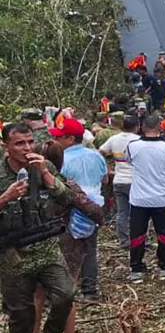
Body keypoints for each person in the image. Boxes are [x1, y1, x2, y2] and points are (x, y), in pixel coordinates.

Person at [0, 123, 80, 333]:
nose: (26, 148)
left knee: (65, 294)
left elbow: (67, 197)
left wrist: (45, 173)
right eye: (19, 143)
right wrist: (5, 197)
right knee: (20, 312)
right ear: (6, 147)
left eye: (29, 142)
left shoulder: (43, 166)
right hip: (13, 252)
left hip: (46, 246)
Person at [33, 141, 104, 333]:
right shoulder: (66, 185)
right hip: (67, 244)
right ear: (61, 161)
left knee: (38, 292)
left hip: (36, 243)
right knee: (66, 291)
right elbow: (93, 209)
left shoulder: (28, 187)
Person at [50, 118, 106, 303]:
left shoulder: (62, 159)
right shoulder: (96, 155)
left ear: (70, 139)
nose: (56, 140)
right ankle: (90, 290)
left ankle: (65, 290)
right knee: (89, 249)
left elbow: (60, 186)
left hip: (69, 209)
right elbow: (105, 179)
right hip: (92, 209)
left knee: (65, 249)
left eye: (59, 137)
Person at [125, 115, 165, 282]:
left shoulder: (132, 147)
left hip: (139, 199)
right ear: (160, 128)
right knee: (164, 234)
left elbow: (128, 161)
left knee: (137, 234)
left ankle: (136, 269)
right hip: (162, 199)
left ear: (142, 127)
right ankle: (164, 267)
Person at [99, 115, 140, 249]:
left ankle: (124, 240)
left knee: (122, 212)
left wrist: (108, 168)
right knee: (137, 212)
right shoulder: (138, 140)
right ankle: (137, 239)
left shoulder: (114, 139)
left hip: (119, 180)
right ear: (137, 127)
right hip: (135, 181)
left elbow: (100, 152)